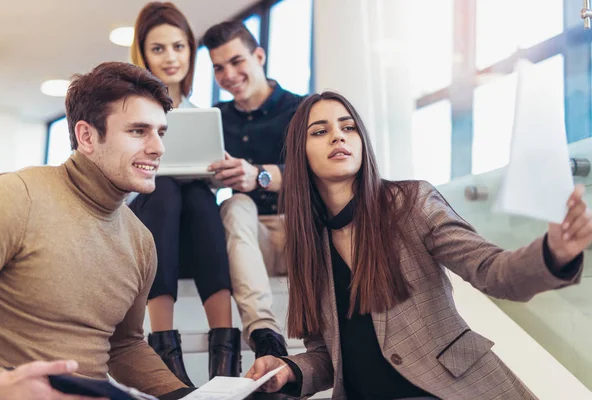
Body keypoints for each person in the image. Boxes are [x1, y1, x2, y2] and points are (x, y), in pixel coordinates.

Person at [245, 91, 589, 400]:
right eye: (320, 131)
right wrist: (289, 370)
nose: (338, 135)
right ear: (299, 154)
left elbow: (492, 271)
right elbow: (328, 356)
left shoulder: (411, 203)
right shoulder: (307, 244)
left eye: (348, 127)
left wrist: (554, 252)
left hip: (452, 390)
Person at [0, 62, 195, 399]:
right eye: (138, 131)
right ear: (86, 136)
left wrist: (182, 395)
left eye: (161, 132)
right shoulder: (14, 197)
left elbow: (124, 346)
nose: (157, 148)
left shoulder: (141, 241)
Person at [129, 2, 239, 382]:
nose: (171, 57)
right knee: (167, 190)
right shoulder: (127, 111)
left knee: (197, 196)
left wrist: (216, 173)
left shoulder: (200, 116)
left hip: (189, 234)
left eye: (179, 46)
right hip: (149, 222)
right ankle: (163, 347)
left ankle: (224, 356)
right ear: (142, 54)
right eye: (158, 49)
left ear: (191, 51)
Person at [200, 20, 304, 359]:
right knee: (236, 204)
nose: (228, 74)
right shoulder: (215, 118)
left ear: (259, 56)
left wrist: (259, 175)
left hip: (300, 232)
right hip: (247, 237)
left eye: (236, 61)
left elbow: (321, 173)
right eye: (218, 67)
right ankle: (264, 333)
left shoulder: (303, 109)